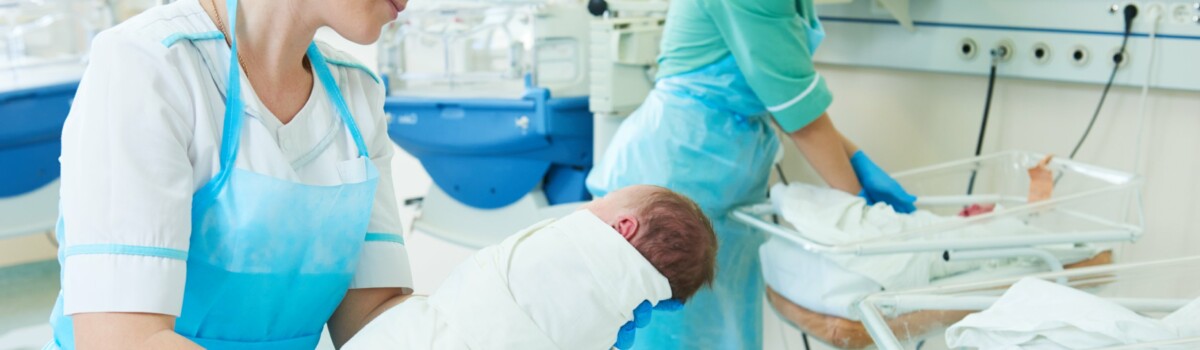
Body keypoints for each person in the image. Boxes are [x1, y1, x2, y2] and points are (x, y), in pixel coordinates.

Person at [48, 0, 412, 348]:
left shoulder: (357, 90)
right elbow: (122, 342)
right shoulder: (148, 64)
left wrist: (461, 314)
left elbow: (371, 317)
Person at [585, 0, 918, 347]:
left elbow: (782, 96)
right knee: (670, 335)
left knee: (725, 334)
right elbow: (797, 110)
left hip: (724, 183)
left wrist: (858, 166)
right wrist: (860, 211)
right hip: (673, 180)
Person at [342, 185, 718, 349]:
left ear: (623, 227)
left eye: (605, 199)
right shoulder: (616, 311)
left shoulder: (580, 241)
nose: (593, 202)